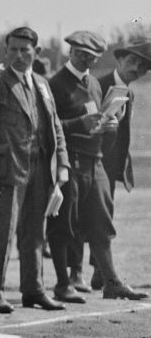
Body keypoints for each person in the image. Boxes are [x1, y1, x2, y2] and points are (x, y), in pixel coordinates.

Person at [47, 31, 146, 302]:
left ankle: (110, 281)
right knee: (66, 224)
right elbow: (49, 129)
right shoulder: (55, 84)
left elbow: (97, 127)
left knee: (101, 223)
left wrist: (108, 126)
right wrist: (82, 125)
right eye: (80, 54)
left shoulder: (93, 84)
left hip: (95, 162)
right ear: (70, 52)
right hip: (72, 161)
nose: (84, 60)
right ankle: (63, 283)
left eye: (90, 57)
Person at [0, 27, 69, 313]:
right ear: (6, 52)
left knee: (35, 233)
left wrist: (62, 164)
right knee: (4, 233)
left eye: (24, 50)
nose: (18, 55)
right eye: (13, 50)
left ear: (35, 52)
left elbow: (55, 126)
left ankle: (34, 290)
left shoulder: (42, 83)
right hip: (9, 170)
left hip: (41, 169)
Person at [92, 41, 151, 289]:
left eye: (143, 66)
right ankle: (74, 276)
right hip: (92, 162)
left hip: (112, 165)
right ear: (120, 60)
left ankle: (98, 271)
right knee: (88, 218)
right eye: (132, 61)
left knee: (105, 216)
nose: (136, 68)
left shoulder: (129, 91)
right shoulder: (101, 84)